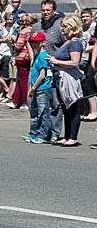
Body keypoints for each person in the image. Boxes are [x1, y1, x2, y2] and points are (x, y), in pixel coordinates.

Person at [49, 16, 84, 147]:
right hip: (60, 76)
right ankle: (68, 135)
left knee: (72, 107)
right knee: (65, 107)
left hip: (68, 77)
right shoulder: (68, 42)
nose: (62, 29)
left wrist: (57, 61)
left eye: (64, 26)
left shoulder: (75, 43)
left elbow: (74, 62)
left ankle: (73, 137)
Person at [25, 32, 53, 144]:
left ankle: (44, 134)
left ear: (43, 43)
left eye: (36, 42)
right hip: (35, 88)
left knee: (43, 112)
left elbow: (42, 75)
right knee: (34, 111)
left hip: (42, 88)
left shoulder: (43, 56)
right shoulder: (36, 56)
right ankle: (34, 132)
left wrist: (33, 88)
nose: (34, 44)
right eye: (32, 42)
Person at [7, 13, 35, 110]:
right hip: (28, 57)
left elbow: (18, 46)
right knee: (21, 80)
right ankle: (16, 101)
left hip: (22, 58)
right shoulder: (33, 31)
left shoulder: (24, 31)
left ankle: (25, 102)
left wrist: (13, 43)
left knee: (23, 81)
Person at [0, 12, 15, 103]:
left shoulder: (15, 28)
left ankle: (2, 94)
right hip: (0, 53)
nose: (9, 21)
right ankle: (7, 90)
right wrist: (4, 40)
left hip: (9, 54)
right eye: (7, 19)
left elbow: (14, 40)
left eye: (11, 19)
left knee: (5, 76)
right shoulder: (2, 28)